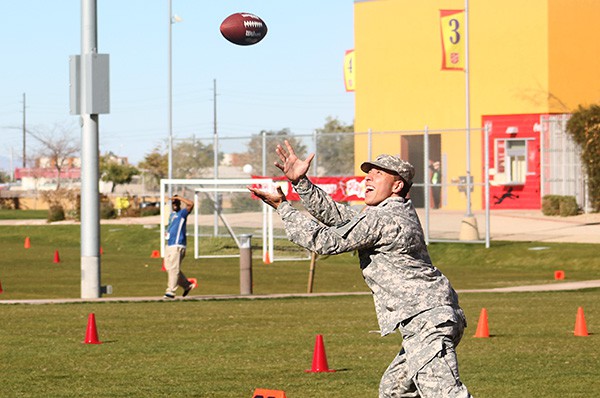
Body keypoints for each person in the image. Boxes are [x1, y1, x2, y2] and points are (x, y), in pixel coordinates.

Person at [248, 141, 471, 397]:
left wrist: (284, 208)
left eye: (378, 174)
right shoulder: (390, 212)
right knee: (394, 390)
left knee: (445, 394)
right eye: (368, 173)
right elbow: (340, 217)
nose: (368, 177)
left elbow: (327, 242)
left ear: (397, 186)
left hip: (427, 320)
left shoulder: (384, 217)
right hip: (432, 316)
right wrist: (301, 183)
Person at [163, 194, 195, 299]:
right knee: (169, 268)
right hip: (169, 244)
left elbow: (191, 204)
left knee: (173, 268)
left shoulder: (182, 213)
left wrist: (179, 197)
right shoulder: (172, 215)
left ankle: (171, 291)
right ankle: (187, 285)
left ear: (180, 203)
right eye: (173, 203)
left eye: (177, 203)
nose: (175, 205)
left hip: (178, 245)